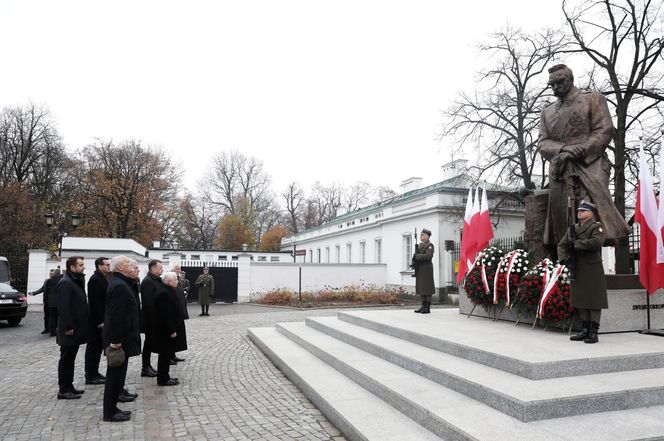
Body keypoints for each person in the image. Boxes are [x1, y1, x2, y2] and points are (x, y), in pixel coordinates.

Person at [538, 64, 629, 247]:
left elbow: (604, 129)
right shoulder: (546, 112)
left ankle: (591, 261)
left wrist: (582, 149)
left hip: (590, 165)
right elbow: (542, 142)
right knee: (562, 220)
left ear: (570, 79)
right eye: (552, 84)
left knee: (589, 215)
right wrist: (565, 149)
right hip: (561, 170)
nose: (556, 87)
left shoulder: (592, 99)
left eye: (560, 81)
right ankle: (566, 263)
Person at [558, 200, 607, 344]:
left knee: (593, 300)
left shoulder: (597, 227)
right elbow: (561, 244)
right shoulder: (572, 229)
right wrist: (563, 260)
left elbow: (596, 243)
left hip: (592, 268)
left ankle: (593, 332)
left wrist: (576, 244)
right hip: (577, 267)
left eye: (583, 210)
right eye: (579, 210)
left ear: (591, 213)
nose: (579, 212)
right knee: (581, 299)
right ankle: (584, 330)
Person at [102, 255, 142, 422]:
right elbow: (117, 315)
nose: (131, 266)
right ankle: (109, 412)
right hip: (119, 339)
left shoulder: (121, 283)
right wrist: (116, 340)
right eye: (127, 263)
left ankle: (113, 408)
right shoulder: (119, 285)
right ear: (119, 268)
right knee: (114, 376)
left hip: (123, 337)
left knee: (118, 375)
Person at [55, 256, 89, 400]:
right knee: (66, 359)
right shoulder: (66, 283)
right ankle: (64, 389)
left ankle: (69, 386)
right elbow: (64, 308)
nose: (83, 267)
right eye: (80, 265)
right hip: (69, 329)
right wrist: (68, 326)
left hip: (76, 327)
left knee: (71, 358)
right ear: (72, 267)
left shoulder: (74, 281)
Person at [153, 272, 187, 386]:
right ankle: (163, 379)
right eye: (175, 280)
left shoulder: (167, 290)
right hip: (165, 331)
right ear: (168, 281)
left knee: (166, 354)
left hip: (165, 330)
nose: (177, 282)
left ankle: (165, 376)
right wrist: (172, 330)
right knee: (164, 355)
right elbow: (166, 314)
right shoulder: (164, 293)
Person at [85, 257, 111, 385]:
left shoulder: (102, 277)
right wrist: (99, 321)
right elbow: (94, 303)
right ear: (100, 266)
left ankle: (94, 372)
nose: (109, 267)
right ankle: (90, 375)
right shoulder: (95, 279)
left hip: (101, 320)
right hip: (96, 322)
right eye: (107, 265)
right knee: (93, 349)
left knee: (97, 348)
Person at [140, 259, 163, 377]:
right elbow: (149, 304)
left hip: (155, 318)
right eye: (160, 268)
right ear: (153, 269)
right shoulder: (148, 282)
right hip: (150, 319)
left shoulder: (155, 280)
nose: (162, 270)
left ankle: (148, 365)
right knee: (148, 343)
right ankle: (145, 367)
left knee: (150, 343)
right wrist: (154, 320)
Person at [413, 229, 435, 314]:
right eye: (420, 235)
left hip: (426, 269)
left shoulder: (430, 245)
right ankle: (422, 306)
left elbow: (428, 256)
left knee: (427, 288)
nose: (420, 236)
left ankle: (427, 307)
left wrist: (417, 256)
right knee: (421, 288)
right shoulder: (420, 245)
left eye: (422, 235)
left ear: (427, 236)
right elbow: (416, 256)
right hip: (420, 268)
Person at [29, 269, 54, 334]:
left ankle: (53, 330)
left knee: (53, 317)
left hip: (53, 303)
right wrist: (33, 293)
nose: (50, 275)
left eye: (52, 274)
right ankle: (46, 329)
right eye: (50, 273)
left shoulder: (56, 281)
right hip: (46, 302)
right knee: (46, 316)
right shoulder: (46, 281)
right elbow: (42, 289)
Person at [46, 269, 63, 336]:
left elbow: (46, 292)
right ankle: (58, 330)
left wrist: (46, 301)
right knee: (59, 317)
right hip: (59, 302)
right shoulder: (61, 280)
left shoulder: (49, 281)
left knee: (52, 317)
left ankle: (51, 331)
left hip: (51, 302)